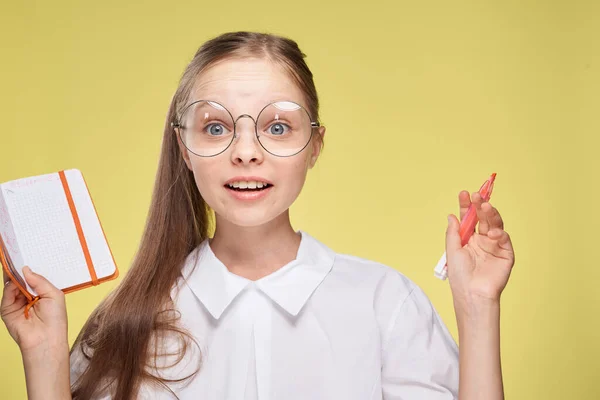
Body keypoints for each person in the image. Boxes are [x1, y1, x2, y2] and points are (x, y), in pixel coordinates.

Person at [1, 31, 515, 400]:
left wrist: (477, 307)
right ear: (183, 147)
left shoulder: (384, 303)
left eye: (277, 127)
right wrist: (43, 356)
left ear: (315, 146)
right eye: (217, 128)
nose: (246, 152)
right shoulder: (127, 319)